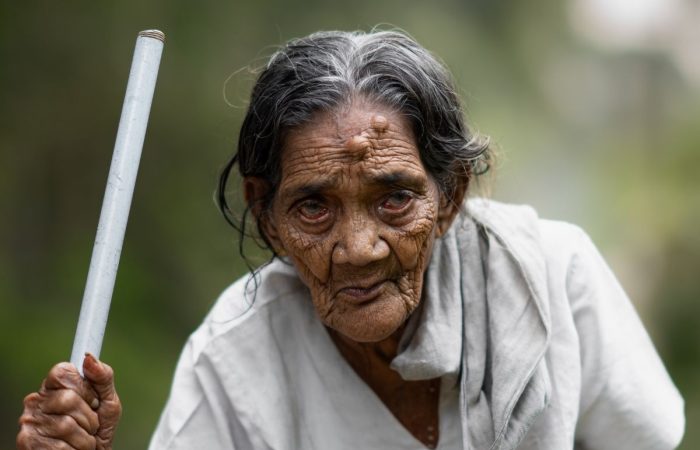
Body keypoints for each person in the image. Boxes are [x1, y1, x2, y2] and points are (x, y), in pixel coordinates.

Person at [17, 30, 684, 450]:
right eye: (314, 206)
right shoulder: (236, 360)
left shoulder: (551, 278)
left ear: (449, 196)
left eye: (394, 197)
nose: (359, 247)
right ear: (266, 212)